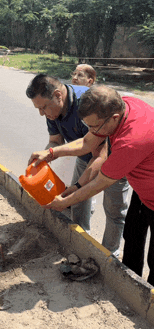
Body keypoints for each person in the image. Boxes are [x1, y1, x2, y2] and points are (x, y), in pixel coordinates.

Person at [30, 85, 154, 285]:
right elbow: (87, 143)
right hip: (144, 191)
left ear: (113, 118)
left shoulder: (130, 142)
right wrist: (52, 153)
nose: (91, 131)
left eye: (94, 126)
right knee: (132, 236)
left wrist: (65, 201)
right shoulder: (123, 106)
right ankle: (130, 283)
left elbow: (99, 183)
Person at [26, 73, 129, 257]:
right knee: (78, 205)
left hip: (115, 159)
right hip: (85, 158)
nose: (42, 113)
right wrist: (45, 156)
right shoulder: (52, 109)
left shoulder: (89, 105)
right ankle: (82, 245)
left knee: (114, 210)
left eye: (43, 108)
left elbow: (99, 156)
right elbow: (56, 142)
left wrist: (78, 188)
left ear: (58, 95)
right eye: (38, 109)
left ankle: (109, 255)